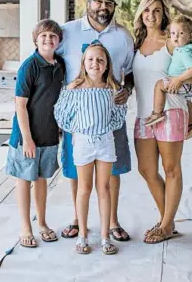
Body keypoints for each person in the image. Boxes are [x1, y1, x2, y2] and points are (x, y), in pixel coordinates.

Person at [56, 0, 135, 242]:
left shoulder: (123, 36)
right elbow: (49, 60)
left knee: (112, 168)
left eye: (108, 3)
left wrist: (127, 90)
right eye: (98, 2)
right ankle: (78, 220)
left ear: (114, 7)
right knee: (77, 168)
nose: (103, 7)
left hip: (110, 109)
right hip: (79, 115)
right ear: (88, 3)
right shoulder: (68, 31)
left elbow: (130, 72)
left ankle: (112, 222)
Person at [132, 0, 192, 244]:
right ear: (141, 13)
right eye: (147, 10)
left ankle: (165, 225)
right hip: (144, 115)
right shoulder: (137, 43)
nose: (151, 15)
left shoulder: (174, 40)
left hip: (171, 113)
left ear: (163, 14)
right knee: (146, 169)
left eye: (156, 10)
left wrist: (179, 80)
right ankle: (169, 220)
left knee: (170, 169)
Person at [54, 43, 127, 255]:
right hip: (83, 142)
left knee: (103, 189)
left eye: (100, 60)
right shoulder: (74, 89)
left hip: (105, 142)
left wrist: (104, 128)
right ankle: (83, 235)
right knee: (84, 189)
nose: (95, 63)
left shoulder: (112, 90)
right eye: (91, 60)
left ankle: (105, 237)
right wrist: (77, 130)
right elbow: (60, 113)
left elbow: (118, 116)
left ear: (106, 66)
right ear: (84, 64)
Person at [5, 19, 65, 248]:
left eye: (53, 36)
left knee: (42, 179)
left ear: (59, 41)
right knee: (24, 180)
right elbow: (20, 105)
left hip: (49, 134)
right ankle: (25, 227)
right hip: (26, 136)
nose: (48, 40)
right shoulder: (29, 66)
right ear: (36, 40)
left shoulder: (60, 65)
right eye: (44, 36)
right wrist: (28, 139)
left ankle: (42, 223)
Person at [145, 15, 192, 126]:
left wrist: (178, 79)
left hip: (184, 83)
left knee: (159, 85)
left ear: (190, 35)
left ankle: (157, 113)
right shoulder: (190, 47)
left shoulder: (185, 52)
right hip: (190, 85)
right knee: (188, 100)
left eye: (181, 34)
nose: (175, 37)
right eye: (173, 33)